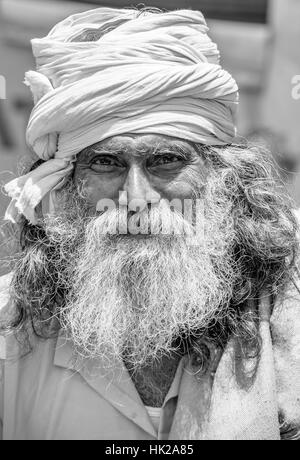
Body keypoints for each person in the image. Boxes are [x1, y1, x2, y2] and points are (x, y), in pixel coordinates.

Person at [0, 6, 299, 440]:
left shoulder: (289, 307)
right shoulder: (10, 326)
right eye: (105, 163)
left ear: (223, 178)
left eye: (166, 161)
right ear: (65, 183)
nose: (135, 199)